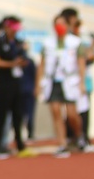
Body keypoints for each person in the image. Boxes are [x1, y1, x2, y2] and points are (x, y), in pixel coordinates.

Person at [37, 14, 87, 158]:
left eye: (62, 23)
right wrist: (39, 84)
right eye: (56, 24)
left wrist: (82, 83)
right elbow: (42, 64)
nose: (59, 27)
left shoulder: (76, 42)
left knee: (71, 114)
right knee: (56, 112)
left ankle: (79, 135)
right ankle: (62, 144)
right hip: (53, 81)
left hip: (70, 81)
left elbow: (81, 64)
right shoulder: (47, 43)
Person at [0, 16, 34, 159]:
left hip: (17, 83)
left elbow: (24, 60)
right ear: (7, 27)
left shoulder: (18, 43)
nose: (15, 32)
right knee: (1, 115)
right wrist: (12, 64)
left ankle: (20, 145)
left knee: (18, 115)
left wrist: (23, 61)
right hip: (3, 84)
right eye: (13, 29)